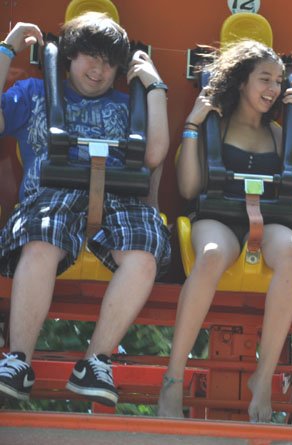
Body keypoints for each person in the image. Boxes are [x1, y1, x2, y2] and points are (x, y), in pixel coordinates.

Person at [0, 13, 171, 406]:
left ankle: (96, 360)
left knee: (145, 251)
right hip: (54, 193)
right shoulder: (34, 93)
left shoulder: (128, 106)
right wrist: (7, 49)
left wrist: (155, 87)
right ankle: (18, 360)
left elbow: (154, 154)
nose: (99, 70)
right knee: (42, 236)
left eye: (110, 62)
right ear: (69, 58)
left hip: (118, 198)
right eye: (90, 58)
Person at [158, 39, 292, 422]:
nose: (273, 89)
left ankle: (263, 378)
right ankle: (173, 380)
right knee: (210, 255)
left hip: (266, 222)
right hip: (218, 219)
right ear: (242, 82)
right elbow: (189, 188)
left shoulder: (278, 134)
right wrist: (193, 125)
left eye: (278, 81)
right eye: (264, 79)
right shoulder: (216, 125)